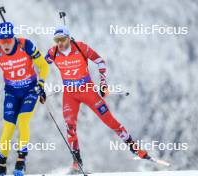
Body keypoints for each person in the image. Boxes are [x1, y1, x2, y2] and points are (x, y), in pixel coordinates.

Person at [45, 26, 149, 173]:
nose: (60, 43)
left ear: (69, 38)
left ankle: (133, 147)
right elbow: (42, 64)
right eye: (57, 41)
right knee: (70, 126)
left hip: (87, 90)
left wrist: (103, 83)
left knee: (109, 120)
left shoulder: (81, 47)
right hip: (70, 93)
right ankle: (76, 160)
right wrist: (40, 85)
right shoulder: (53, 51)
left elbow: (100, 61)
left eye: (62, 40)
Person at [0, 21, 49, 176]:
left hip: (30, 90)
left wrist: (41, 84)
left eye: (9, 40)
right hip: (11, 92)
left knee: (23, 121)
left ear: (14, 38)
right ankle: (1, 167)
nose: (6, 44)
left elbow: (44, 66)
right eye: (3, 41)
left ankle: (21, 162)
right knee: (8, 127)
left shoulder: (25, 45)